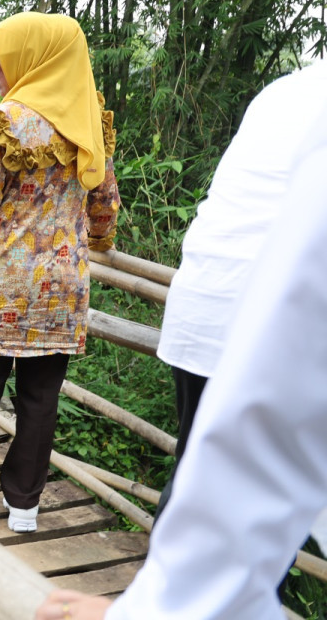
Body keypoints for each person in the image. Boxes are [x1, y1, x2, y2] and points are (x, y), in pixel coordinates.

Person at [35, 97, 327, 620]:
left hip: (208, 308)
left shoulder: (287, 95)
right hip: (254, 320)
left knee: (210, 482)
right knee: (233, 495)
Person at [0, 12, 120, 534]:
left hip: (2, 280)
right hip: (63, 284)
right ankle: (24, 503)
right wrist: (95, 238)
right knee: (41, 396)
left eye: (0, 57)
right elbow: (104, 203)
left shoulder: (6, 121)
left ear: (33, 58)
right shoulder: (87, 118)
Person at [152, 61, 327, 516]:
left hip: (205, 302)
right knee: (257, 500)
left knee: (198, 475)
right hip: (267, 324)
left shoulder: (285, 90)